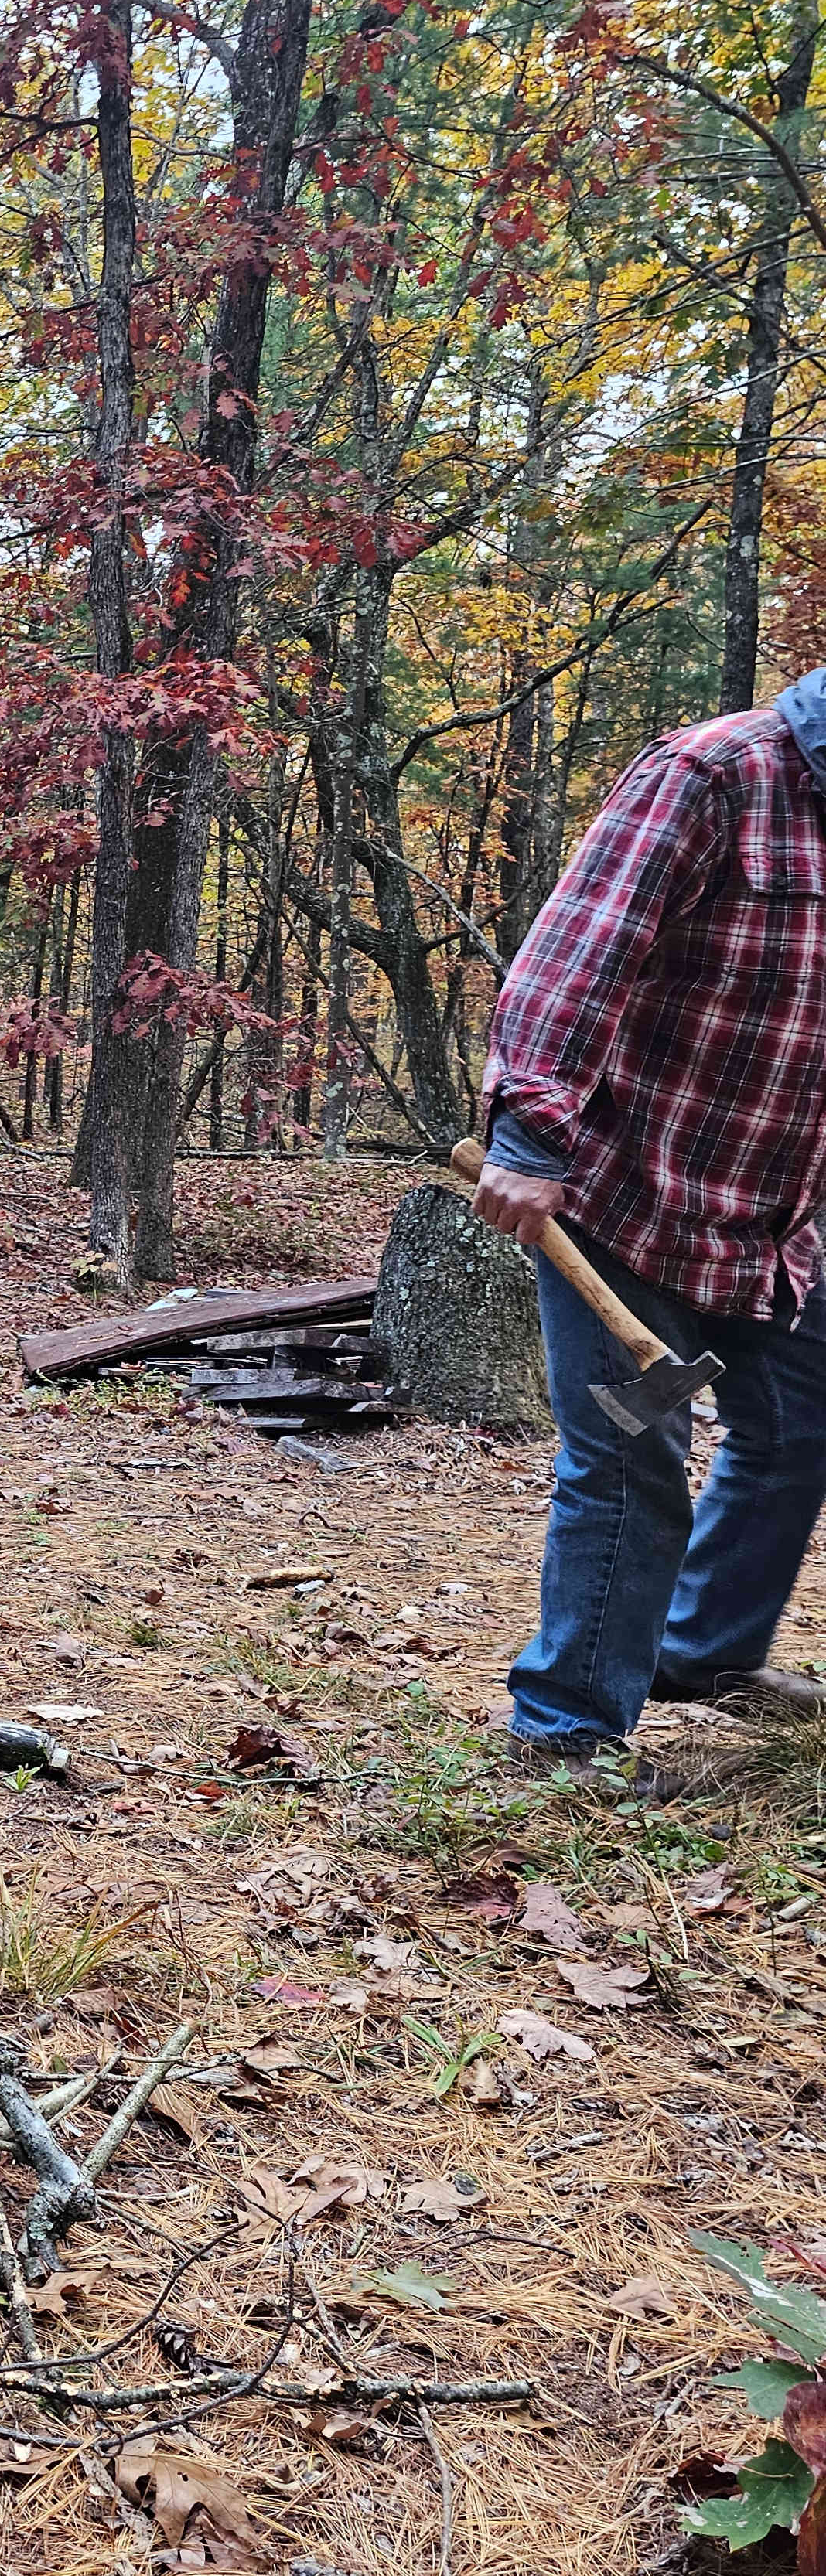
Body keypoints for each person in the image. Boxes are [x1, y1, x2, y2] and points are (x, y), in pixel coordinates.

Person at [473, 668, 826, 1766]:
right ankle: (566, 1729)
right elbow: (576, 956)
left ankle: (705, 1652)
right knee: (633, 1457)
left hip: (777, 1224)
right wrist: (529, 1137)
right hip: (625, 1207)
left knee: (801, 1431)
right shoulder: (714, 774)